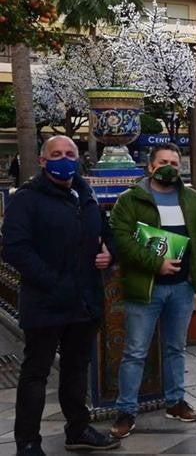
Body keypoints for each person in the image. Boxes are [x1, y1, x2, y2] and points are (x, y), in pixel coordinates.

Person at [2, 136, 117, 455]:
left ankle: (77, 428)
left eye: (70, 154)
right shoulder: (27, 199)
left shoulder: (86, 193)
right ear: (42, 161)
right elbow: (14, 249)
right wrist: (55, 282)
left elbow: (105, 234)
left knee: (76, 370)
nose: (64, 160)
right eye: (57, 154)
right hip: (46, 303)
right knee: (36, 373)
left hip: (84, 303)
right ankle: (27, 441)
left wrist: (110, 253)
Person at [108, 145, 196, 438]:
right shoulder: (130, 200)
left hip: (182, 288)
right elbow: (122, 240)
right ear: (150, 166)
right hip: (146, 288)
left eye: (174, 162)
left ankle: (175, 401)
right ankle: (126, 411)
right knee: (135, 352)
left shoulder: (192, 199)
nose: (169, 167)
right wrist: (156, 264)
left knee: (176, 348)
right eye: (163, 162)